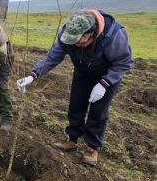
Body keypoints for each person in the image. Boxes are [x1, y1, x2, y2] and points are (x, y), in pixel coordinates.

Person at [17, 10, 134, 166]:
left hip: (107, 75)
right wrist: (33, 75)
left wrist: (104, 83)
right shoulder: (69, 32)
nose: (76, 45)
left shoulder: (113, 35)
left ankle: (92, 148)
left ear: (91, 34)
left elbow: (123, 62)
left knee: (98, 111)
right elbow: (53, 55)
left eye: (79, 41)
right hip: (83, 72)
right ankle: (71, 139)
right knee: (76, 105)